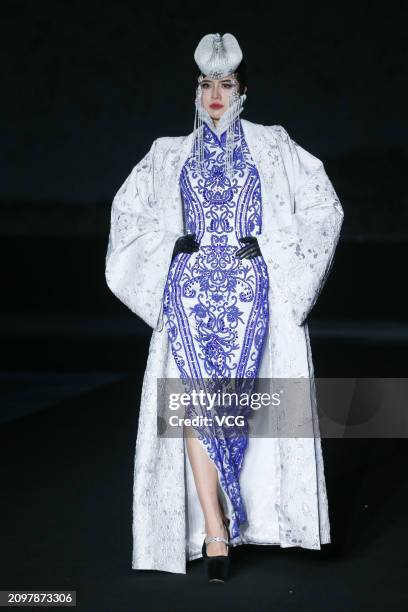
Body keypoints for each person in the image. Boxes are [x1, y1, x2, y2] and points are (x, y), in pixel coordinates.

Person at [105, 32, 344, 582]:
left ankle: (239, 517)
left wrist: (275, 245)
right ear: (197, 92)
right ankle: (215, 531)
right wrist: (169, 249)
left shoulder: (274, 146)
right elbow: (127, 218)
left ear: (243, 91)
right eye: (206, 84)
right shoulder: (167, 155)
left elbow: (321, 205)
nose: (215, 94)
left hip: (250, 296)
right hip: (189, 295)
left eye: (226, 84)